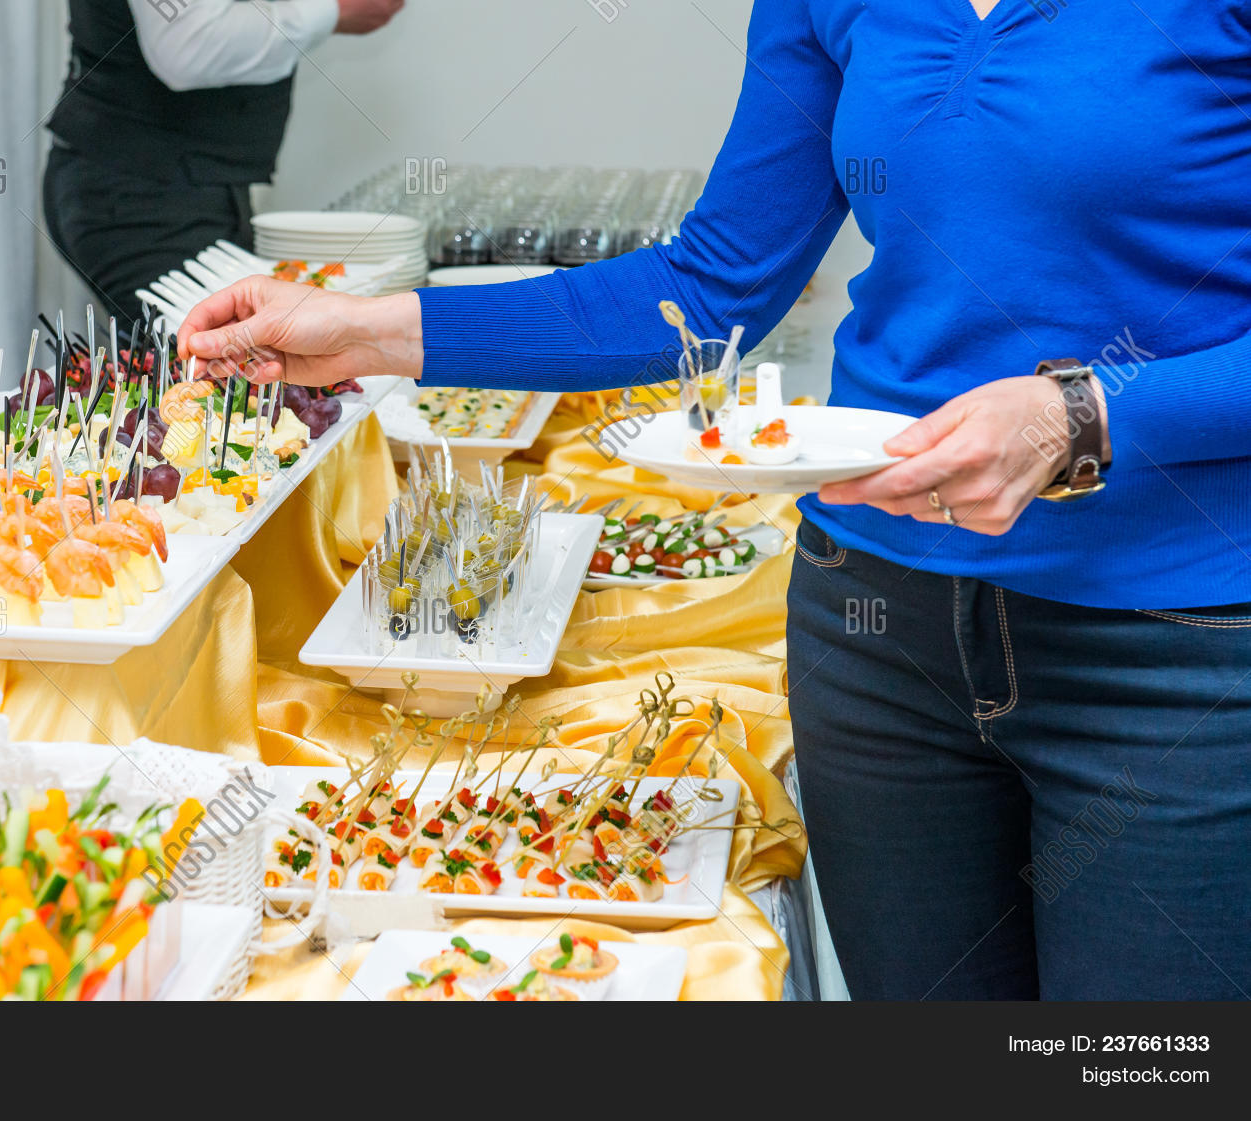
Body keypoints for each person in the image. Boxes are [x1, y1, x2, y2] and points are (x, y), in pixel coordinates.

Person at [177, 0, 1251, 1000]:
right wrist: (374, 333)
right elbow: (712, 282)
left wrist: (1087, 413)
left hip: (1170, 651)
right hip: (880, 638)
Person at [43, 0, 404, 322]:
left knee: (224, 371)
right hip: (141, 198)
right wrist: (332, 10)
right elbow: (188, 46)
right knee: (216, 375)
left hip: (174, 187)